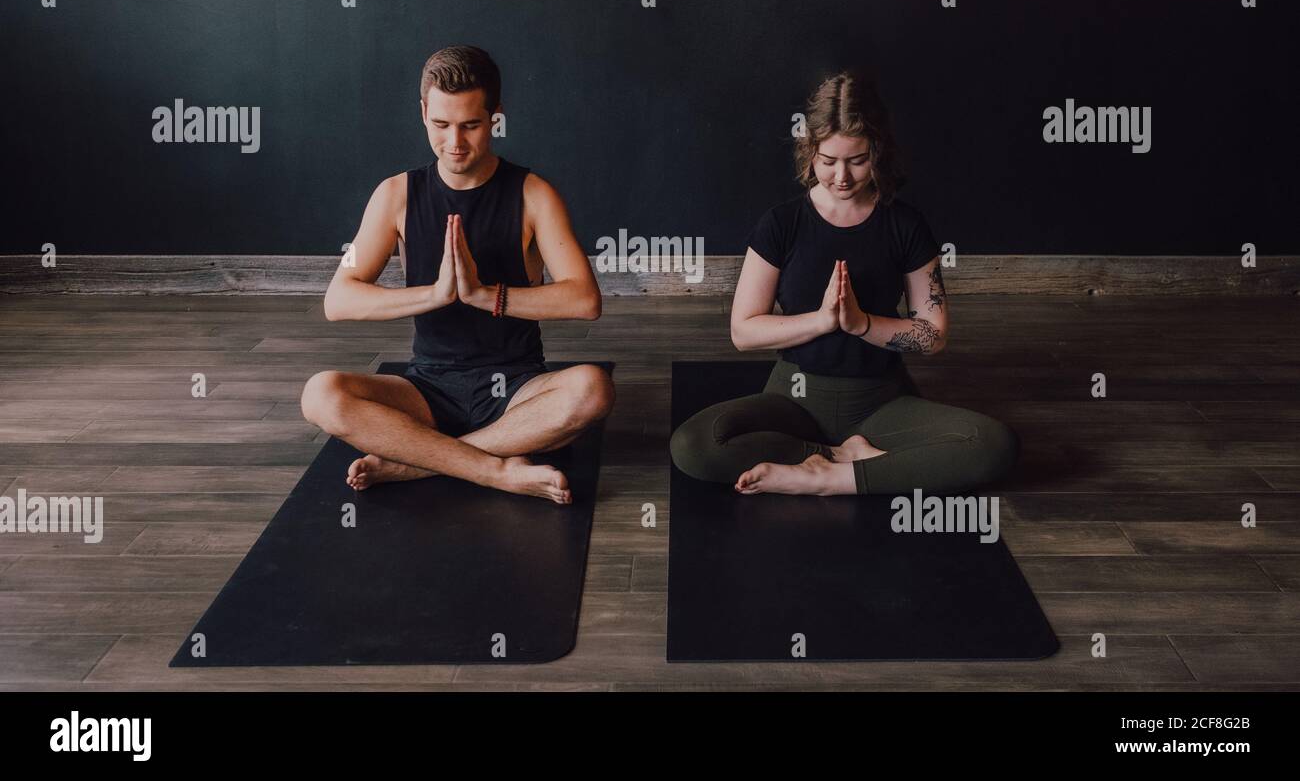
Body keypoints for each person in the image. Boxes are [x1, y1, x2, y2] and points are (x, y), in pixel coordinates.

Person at [669, 69, 1019, 496]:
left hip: (882, 403)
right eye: (828, 161)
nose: (842, 177)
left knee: (993, 446)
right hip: (793, 399)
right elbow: (743, 331)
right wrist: (821, 321)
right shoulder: (782, 224)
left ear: (879, 150)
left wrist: (861, 324)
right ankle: (841, 455)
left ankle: (832, 476)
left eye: (857, 160)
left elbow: (934, 337)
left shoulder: (905, 225)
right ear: (809, 151)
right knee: (694, 446)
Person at [301, 45, 614, 504]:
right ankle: (494, 470)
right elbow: (339, 299)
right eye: (441, 125)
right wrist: (437, 293)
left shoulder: (534, 194)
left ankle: (412, 464)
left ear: (496, 118)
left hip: (518, 392)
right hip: (426, 390)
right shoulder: (394, 195)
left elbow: (585, 300)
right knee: (319, 394)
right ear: (424, 111)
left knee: (592, 389)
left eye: (471, 125)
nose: (455, 143)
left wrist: (486, 295)